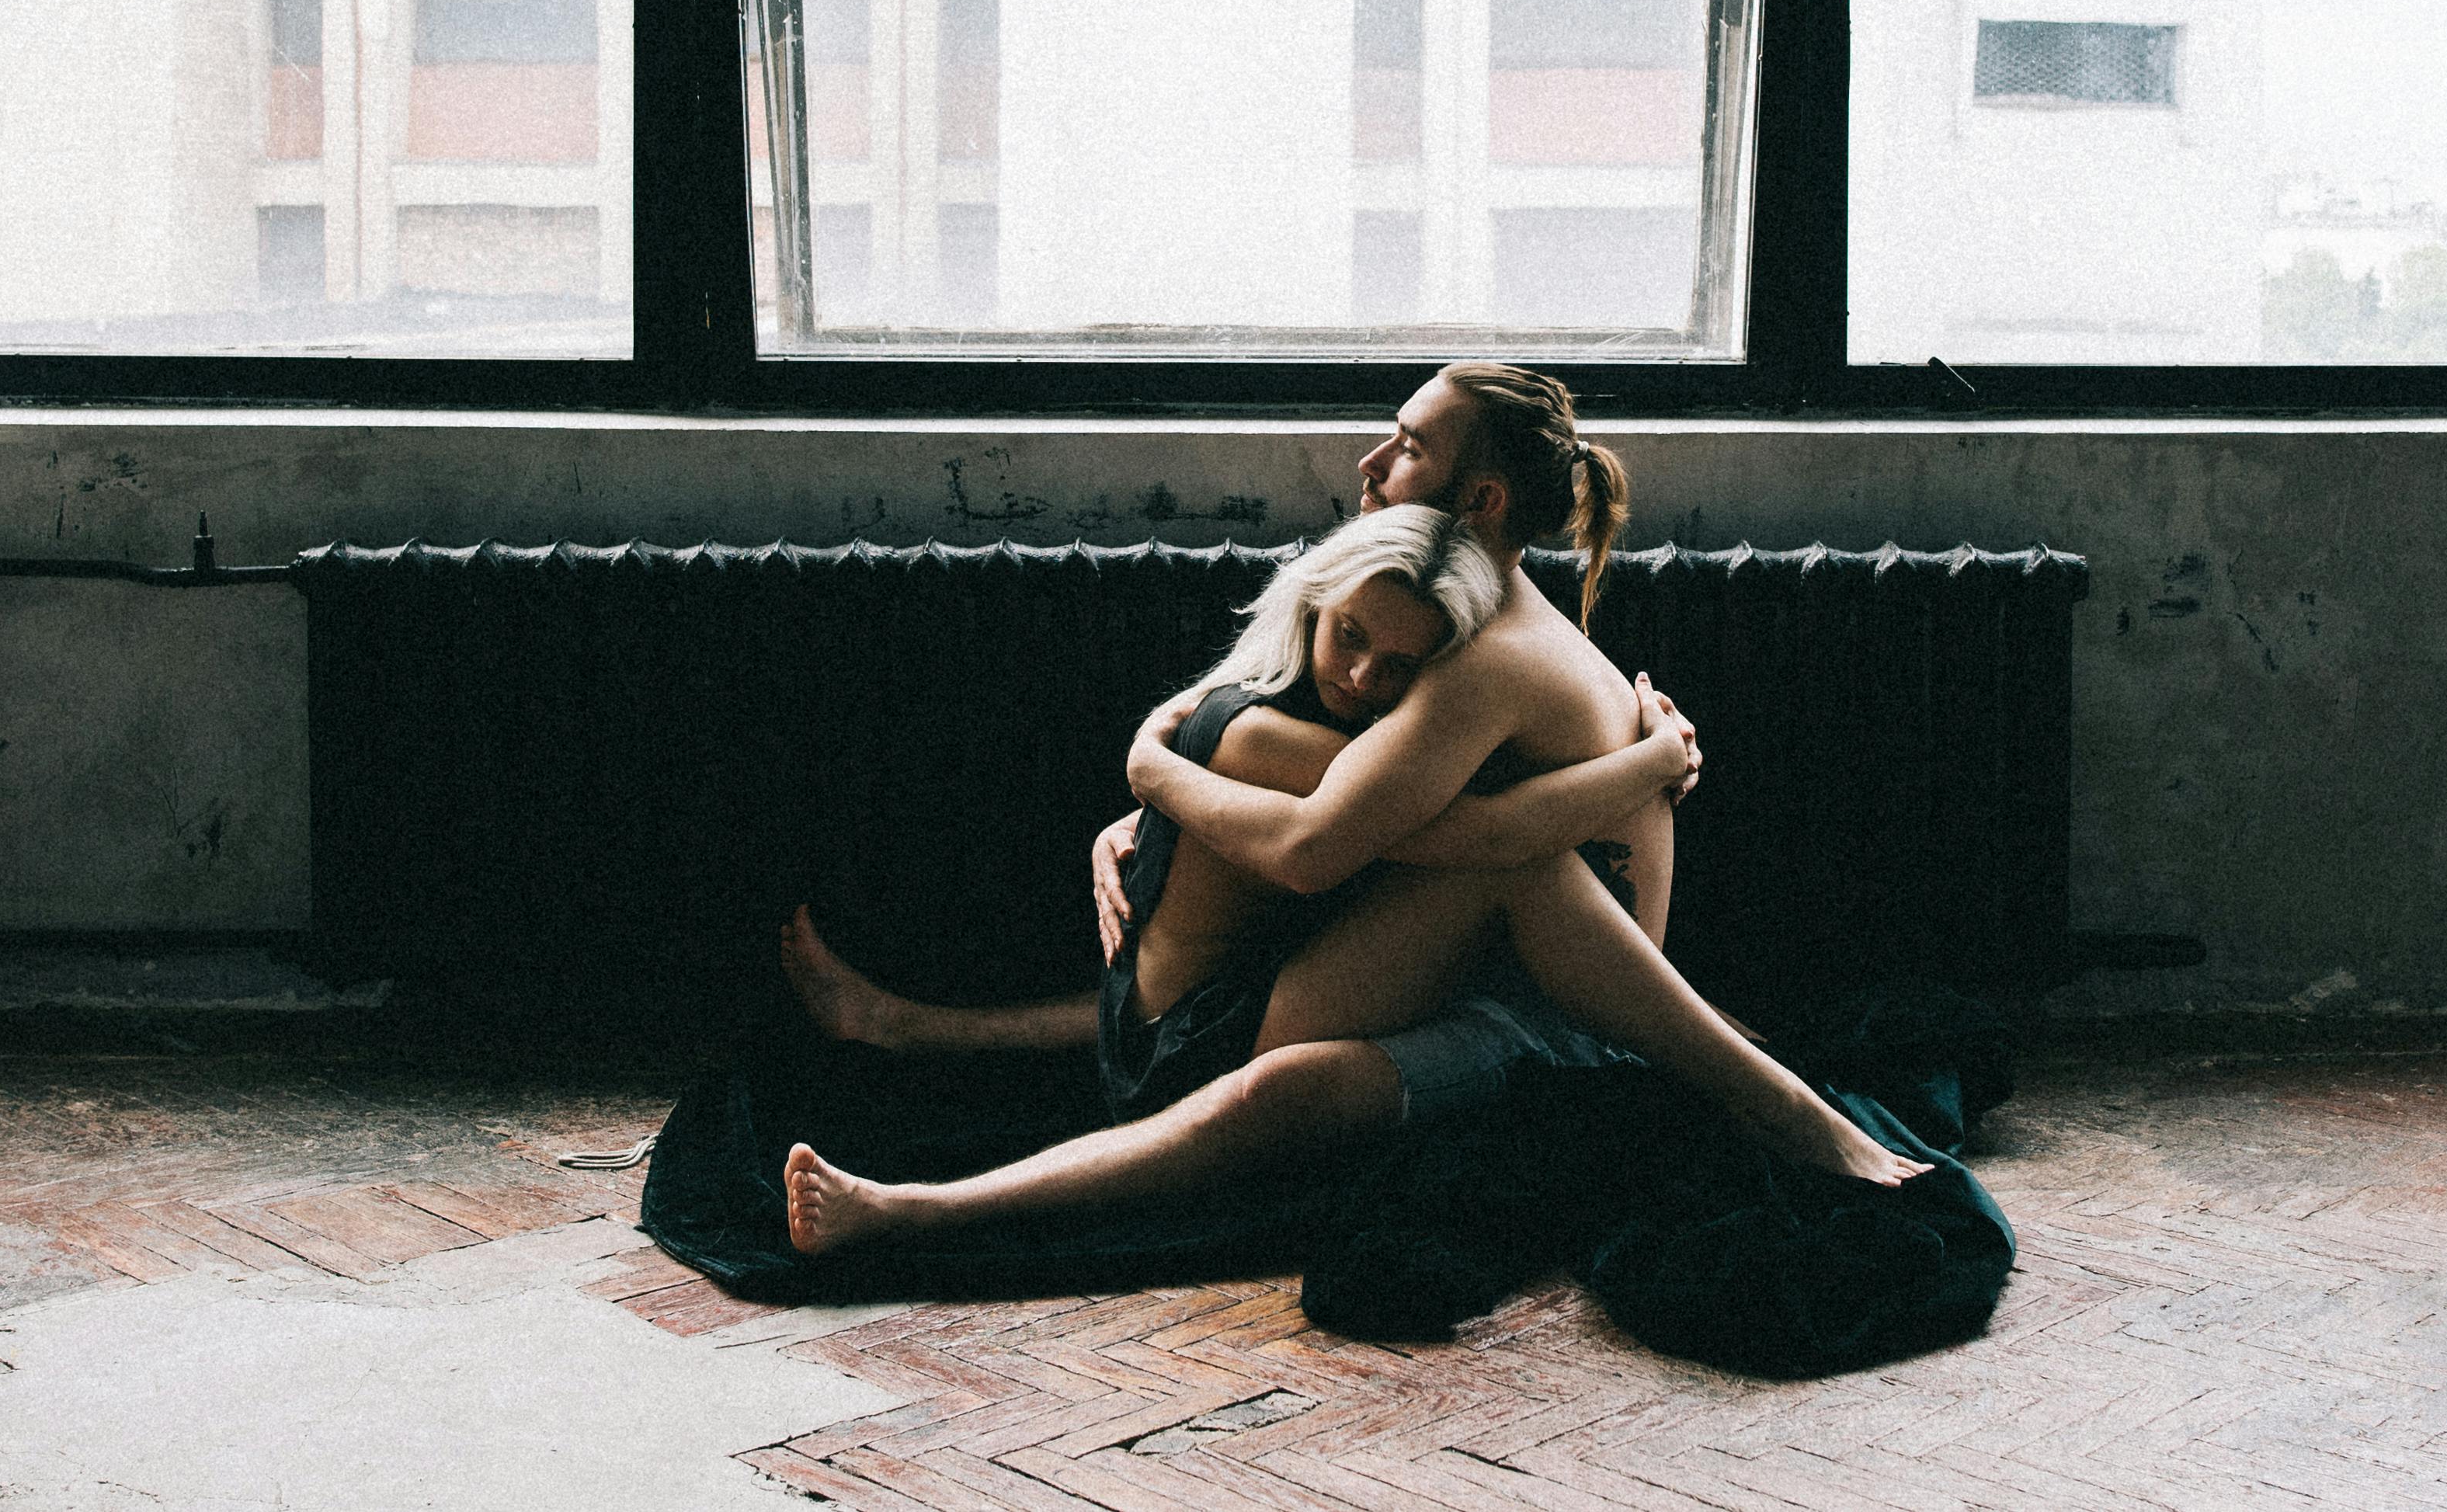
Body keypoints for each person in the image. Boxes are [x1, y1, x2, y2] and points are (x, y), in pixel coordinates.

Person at [780, 365, 1925, 1254]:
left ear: (1477, 496)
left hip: (1555, 1016)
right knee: (1273, 917)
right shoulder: (1437, 610)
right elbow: (1254, 719)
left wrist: (1154, 773)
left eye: (1409, 444)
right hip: (1491, 969)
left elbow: (1340, 844)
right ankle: (911, 1033)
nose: (1373, 459)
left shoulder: (1485, 658)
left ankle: (1777, 1105)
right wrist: (1160, 784)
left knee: (1463, 900)